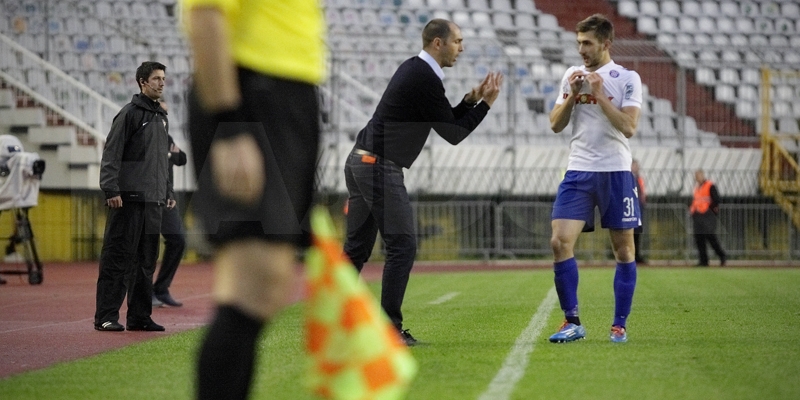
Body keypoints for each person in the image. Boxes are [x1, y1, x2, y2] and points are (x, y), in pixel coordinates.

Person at [181, 0, 325, 398]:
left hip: (290, 92)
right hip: (253, 91)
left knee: (267, 284)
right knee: (251, 281)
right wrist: (230, 125)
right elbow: (205, 12)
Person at [343, 18, 503, 347]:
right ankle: (388, 328)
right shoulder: (424, 77)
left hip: (362, 160)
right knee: (403, 245)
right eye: (457, 41)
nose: (462, 48)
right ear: (438, 43)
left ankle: (330, 320)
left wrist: (471, 101)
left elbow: (445, 121)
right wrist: (486, 104)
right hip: (378, 167)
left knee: (357, 251)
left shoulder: (418, 71)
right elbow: (454, 134)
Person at [547, 14, 642, 344]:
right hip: (579, 170)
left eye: (587, 43)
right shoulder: (571, 76)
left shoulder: (627, 78)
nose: (581, 50)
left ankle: (619, 325)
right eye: (578, 43)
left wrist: (600, 96)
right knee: (559, 242)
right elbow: (555, 125)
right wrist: (573, 95)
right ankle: (571, 321)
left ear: (606, 43)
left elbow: (629, 127)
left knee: (624, 251)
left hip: (616, 171)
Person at [94, 61, 174, 332]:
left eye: (163, 78)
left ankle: (139, 317)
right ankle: (105, 316)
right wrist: (111, 189)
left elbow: (161, 162)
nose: (162, 83)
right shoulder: (128, 114)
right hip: (127, 199)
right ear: (142, 82)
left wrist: (167, 192)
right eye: (156, 78)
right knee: (118, 258)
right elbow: (111, 153)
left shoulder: (161, 117)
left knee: (146, 262)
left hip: (153, 201)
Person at [152, 129, 188, 308]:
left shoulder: (167, 138)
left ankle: (161, 288)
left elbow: (182, 159)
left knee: (178, 239)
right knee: (145, 245)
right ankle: (143, 292)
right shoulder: (144, 136)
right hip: (147, 196)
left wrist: (172, 152)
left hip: (167, 198)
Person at [690, 169, 727, 267]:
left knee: (710, 235)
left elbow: (716, 199)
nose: (696, 178)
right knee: (699, 238)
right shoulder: (697, 188)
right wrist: (693, 211)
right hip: (698, 215)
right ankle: (703, 260)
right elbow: (696, 201)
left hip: (707, 215)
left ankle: (722, 255)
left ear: (702, 175)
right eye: (696, 176)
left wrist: (710, 210)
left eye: (698, 175)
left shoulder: (710, 186)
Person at [632, 159, 647, 264]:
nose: (637, 167)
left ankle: (636, 255)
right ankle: (632, 256)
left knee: (637, 234)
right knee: (630, 235)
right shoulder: (629, 178)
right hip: (632, 210)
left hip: (639, 210)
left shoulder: (639, 179)